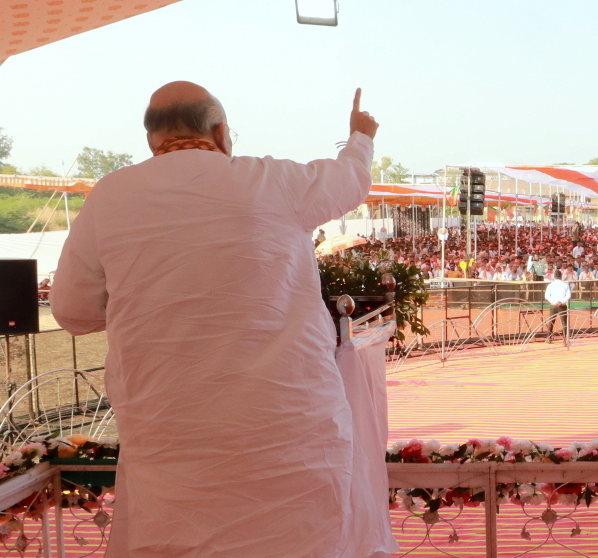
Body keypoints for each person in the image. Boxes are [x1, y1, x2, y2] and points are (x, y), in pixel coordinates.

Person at [50, 83, 393, 557]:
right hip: (289, 437)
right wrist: (360, 136)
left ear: (151, 140)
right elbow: (349, 179)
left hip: (170, 441)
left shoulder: (110, 196)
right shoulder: (271, 180)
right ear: (220, 131)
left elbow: (72, 311)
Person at [544, 271, 571, 342]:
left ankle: (548, 338)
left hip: (553, 305)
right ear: (561, 276)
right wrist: (562, 301)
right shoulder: (565, 285)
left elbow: (547, 296)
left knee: (551, 322)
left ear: (554, 276)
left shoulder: (550, 285)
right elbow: (568, 295)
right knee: (564, 322)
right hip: (562, 305)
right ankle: (565, 338)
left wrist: (554, 302)